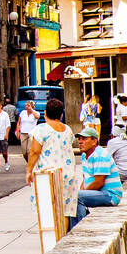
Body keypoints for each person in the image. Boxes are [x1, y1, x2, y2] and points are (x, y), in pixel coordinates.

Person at [26, 98, 78, 234]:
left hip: (49, 175)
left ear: (45, 113)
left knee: (47, 208)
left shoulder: (41, 129)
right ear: (61, 115)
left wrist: (28, 171)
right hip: (68, 174)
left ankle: (52, 238)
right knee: (65, 210)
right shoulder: (67, 129)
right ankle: (62, 237)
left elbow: (35, 151)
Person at [72, 126, 123, 227]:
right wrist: (81, 193)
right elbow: (85, 178)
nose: (80, 142)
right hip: (99, 192)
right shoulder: (84, 156)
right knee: (73, 197)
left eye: (85, 139)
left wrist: (81, 194)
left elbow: (99, 182)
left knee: (75, 197)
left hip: (110, 195)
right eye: (79, 139)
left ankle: (79, 227)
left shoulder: (100, 155)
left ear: (94, 141)